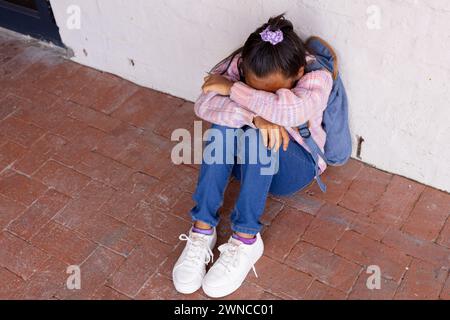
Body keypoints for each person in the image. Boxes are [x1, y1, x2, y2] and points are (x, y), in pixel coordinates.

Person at [172, 13, 333, 298]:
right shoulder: (240, 62)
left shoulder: (316, 77)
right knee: (225, 125)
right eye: (249, 84)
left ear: (297, 73)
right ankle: (202, 229)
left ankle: (246, 239)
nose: (262, 96)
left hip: (293, 167)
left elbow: (289, 112)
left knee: (256, 135)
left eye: (272, 93)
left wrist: (235, 90)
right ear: (245, 67)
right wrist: (255, 116)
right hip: (243, 163)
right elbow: (204, 104)